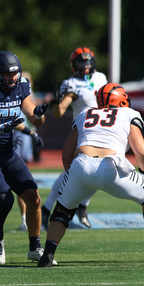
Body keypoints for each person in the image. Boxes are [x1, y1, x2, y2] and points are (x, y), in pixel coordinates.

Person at [38, 83, 144, 267]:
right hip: (111, 165)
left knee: (62, 210)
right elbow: (140, 150)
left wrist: (73, 175)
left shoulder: (84, 114)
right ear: (122, 99)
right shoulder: (129, 114)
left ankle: (47, 255)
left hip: (81, 163)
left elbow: (67, 153)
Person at [0, 51, 49, 265]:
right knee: (6, 200)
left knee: (33, 196)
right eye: (6, 74)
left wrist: (39, 115)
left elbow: (34, 118)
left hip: (7, 154)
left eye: (14, 73)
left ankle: (35, 247)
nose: (12, 78)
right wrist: (4, 126)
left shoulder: (22, 86)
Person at [41, 47, 108, 230]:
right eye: (81, 63)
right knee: (77, 171)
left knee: (98, 168)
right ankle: (54, 209)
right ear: (74, 65)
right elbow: (58, 112)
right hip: (84, 132)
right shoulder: (70, 84)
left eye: (88, 62)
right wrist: (58, 100)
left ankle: (59, 207)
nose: (85, 66)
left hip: (103, 130)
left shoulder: (101, 78)